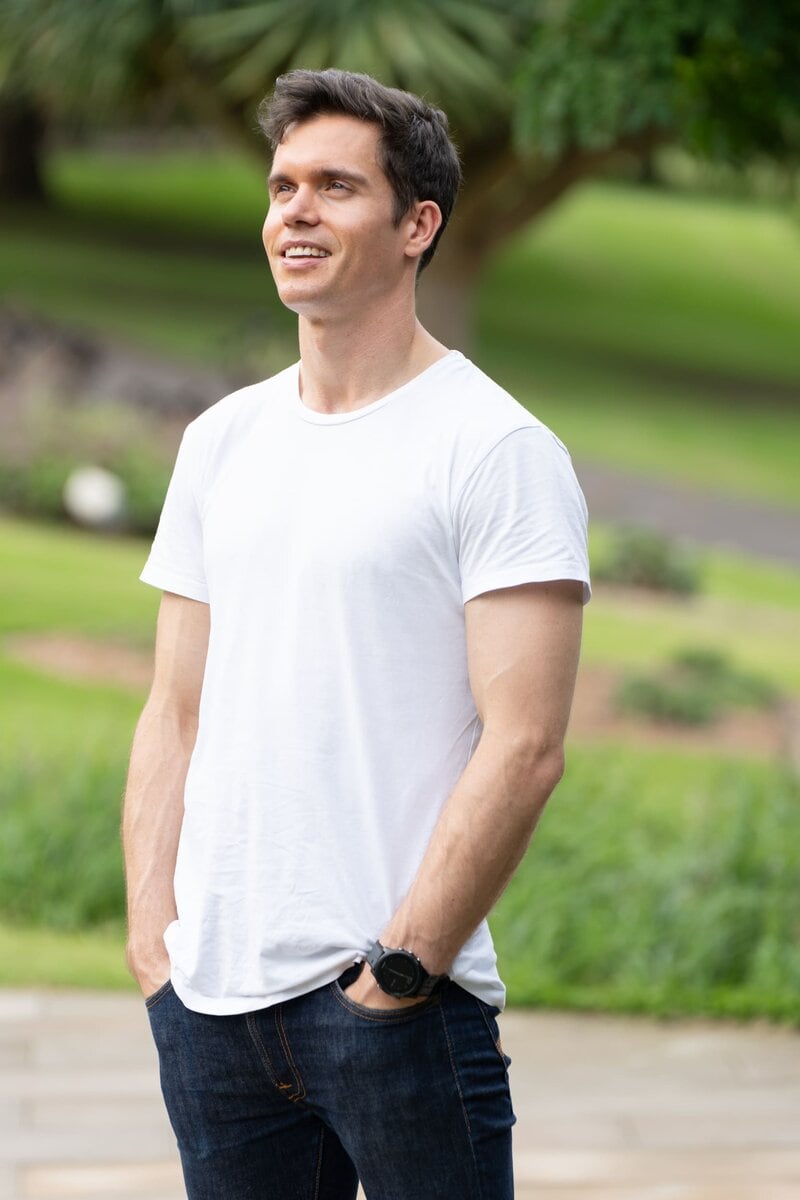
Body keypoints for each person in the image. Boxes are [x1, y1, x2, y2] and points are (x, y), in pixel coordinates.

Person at [123, 67, 590, 1200]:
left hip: (393, 1007)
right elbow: (174, 710)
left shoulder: (493, 449)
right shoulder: (220, 441)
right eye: (283, 186)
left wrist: (403, 968)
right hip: (213, 1011)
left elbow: (523, 744)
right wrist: (157, 949)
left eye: (335, 186)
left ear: (417, 224)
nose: (294, 211)